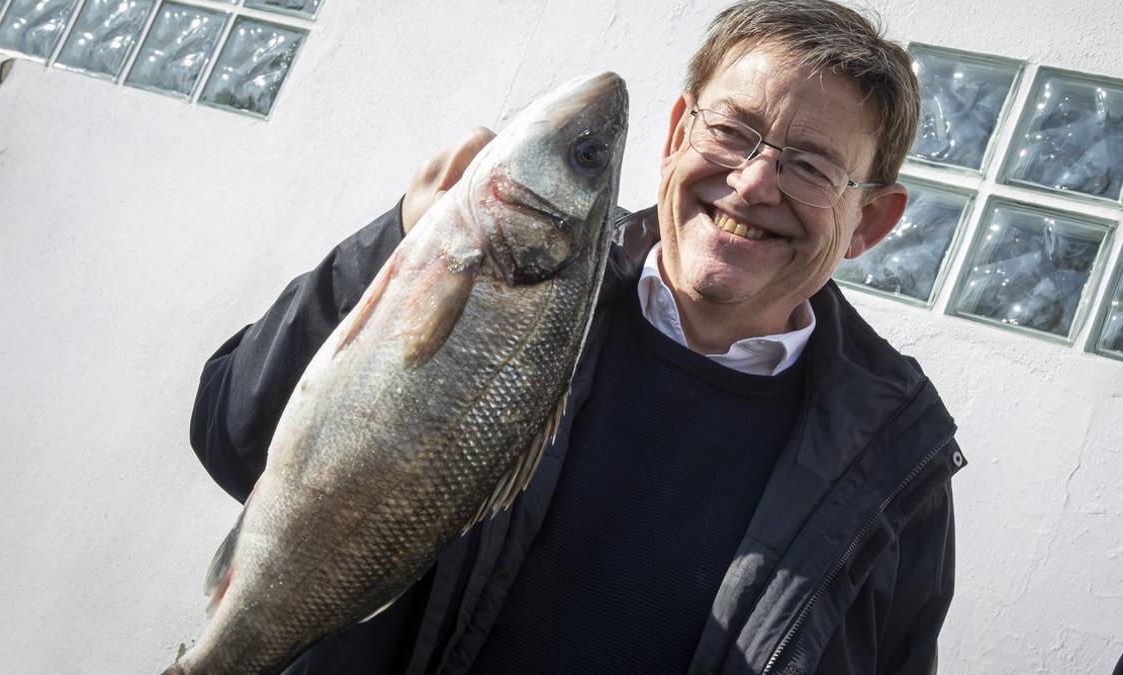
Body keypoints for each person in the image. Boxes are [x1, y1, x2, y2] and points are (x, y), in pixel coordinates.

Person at [189, 1, 967, 672]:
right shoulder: (506, 285)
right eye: (733, 130)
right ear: (675, 132)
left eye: (810, 166)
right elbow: (232, 433)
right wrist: (393, 246)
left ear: (869, 220)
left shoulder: (894, 466)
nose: (753, 182)